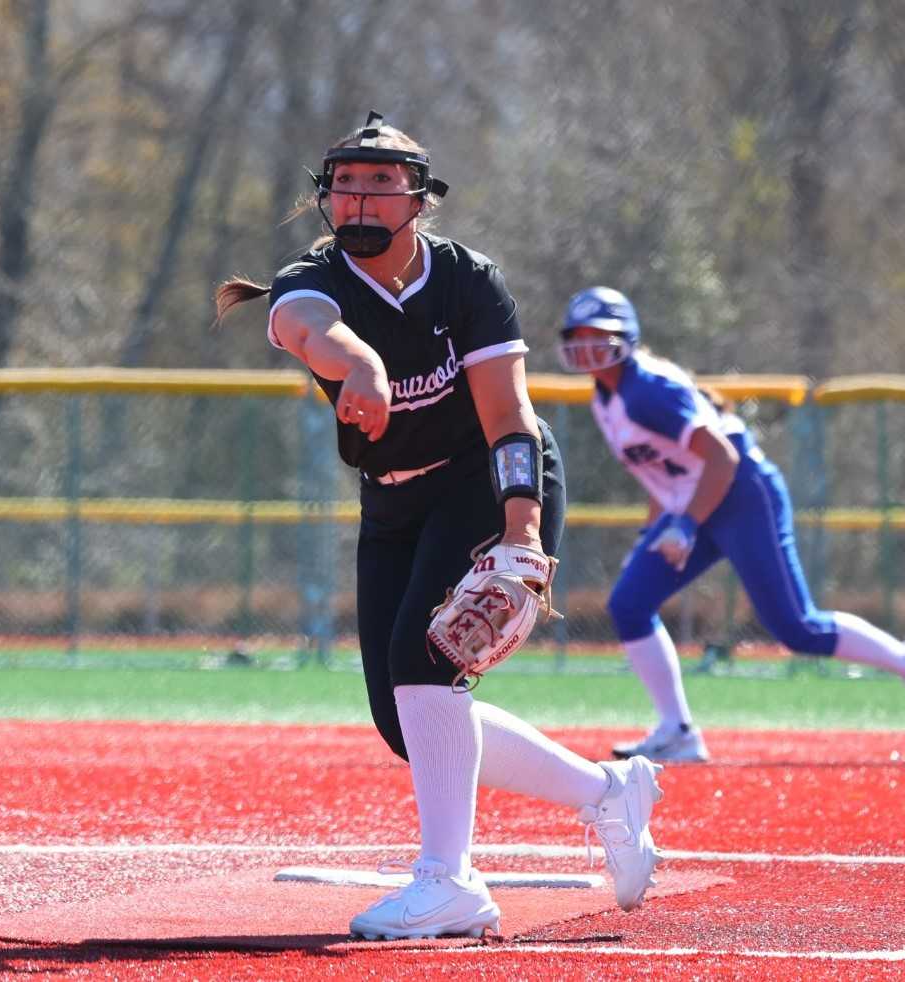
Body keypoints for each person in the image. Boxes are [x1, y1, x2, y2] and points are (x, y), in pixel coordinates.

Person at [215, 114, 663, 940]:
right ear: (324, 197)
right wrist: (362, 365)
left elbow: (508, 417)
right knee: (405, 721)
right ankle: (608, 793)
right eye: (347, 181)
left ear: (418, 199)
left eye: (382, 183)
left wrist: (520, 532)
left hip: (483, 480)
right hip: (391, 497)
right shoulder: (306, 282)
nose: (361, 197)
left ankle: (449, 882)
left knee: (425, 661)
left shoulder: (466, 280)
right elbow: (311, 330)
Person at [556, 286, 905, 763]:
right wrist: (654, 532)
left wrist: (685, 525)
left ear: (626, 336)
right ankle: (678, 730)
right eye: (578, 336)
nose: (587, 345)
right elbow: (659, 473)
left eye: (598, 334)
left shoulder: (646, 389)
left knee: (796, 628)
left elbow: (722, 458)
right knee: (629, 603)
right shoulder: (606, 398)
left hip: (742, 493)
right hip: (696, 499)